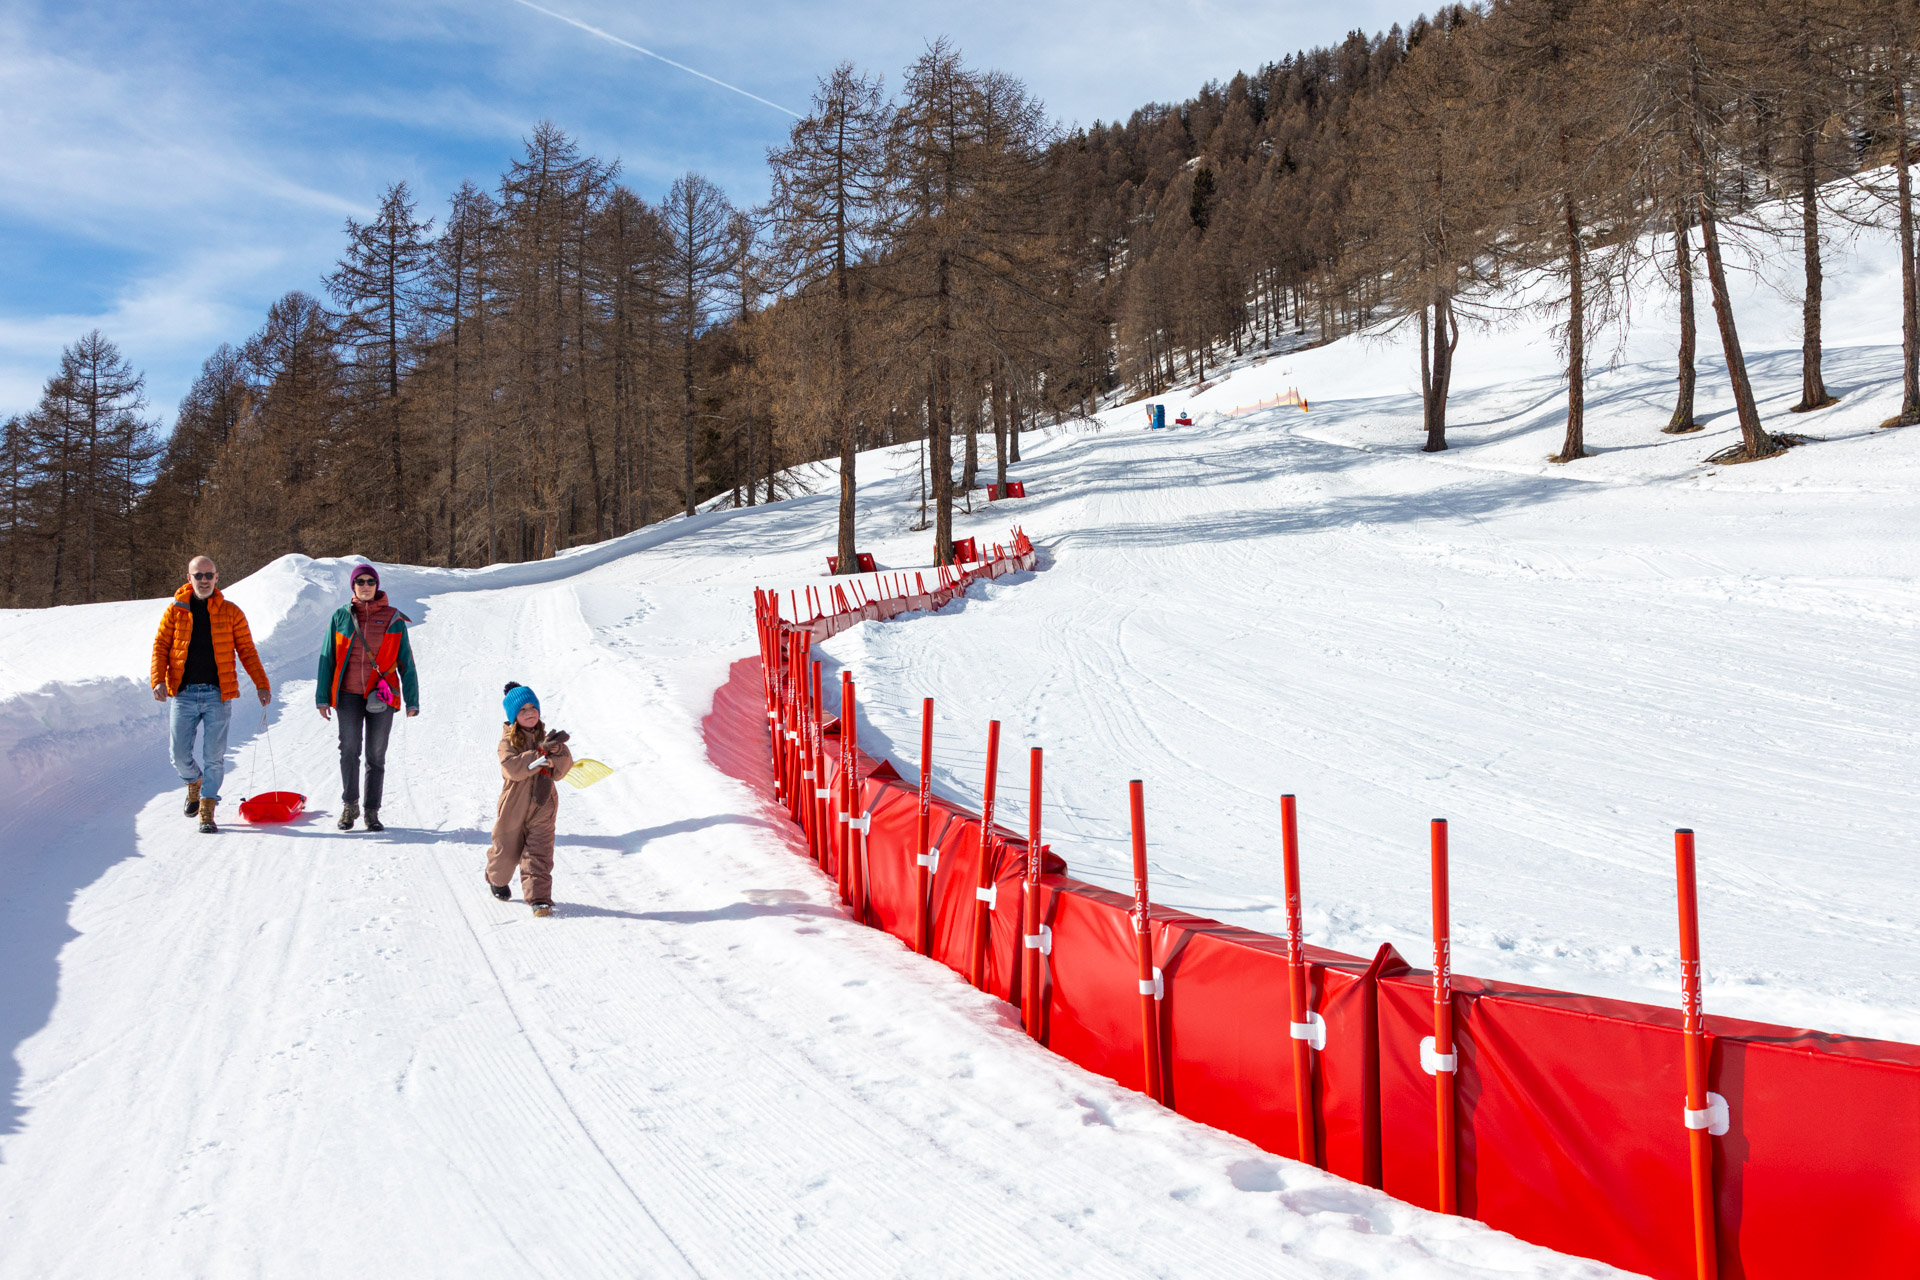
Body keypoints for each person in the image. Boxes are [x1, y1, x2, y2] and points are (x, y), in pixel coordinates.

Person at [149, 556, 271, 833]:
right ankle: (194, 783)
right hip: (184, 694)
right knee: (178, 754)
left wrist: (261, 684)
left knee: (214, 756)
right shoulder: (175, 611)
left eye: (208, 575)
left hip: (218, 694)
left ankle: (207, 806)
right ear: (189, 578)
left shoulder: (231, 612)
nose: (203, 580)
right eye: (198, 575)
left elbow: (247, 651)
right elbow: (160, 647)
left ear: (217, 578)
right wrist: (157, 680)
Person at [316, 563, 419, 832]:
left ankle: (371, 811)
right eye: (360, 582)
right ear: (353, 586)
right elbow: (327, 657)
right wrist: (322, 697)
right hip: (348, 694)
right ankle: (349, 805)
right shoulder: (340, 616)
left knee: (376, 754)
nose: (365, 586)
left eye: (370, 581)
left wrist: (412, 700)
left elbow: (406, 661)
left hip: (381, 696)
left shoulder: (393, 618)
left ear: (377, 585)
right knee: (349, 750)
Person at [486, 683, 574, 916]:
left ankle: (539, 899)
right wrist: (540, 754)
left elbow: (564, 766)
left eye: (532, 707)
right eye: (523, 709)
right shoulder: (507, 742)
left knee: (540, 853)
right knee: (505, 852)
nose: (529, 712)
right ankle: (497, 879)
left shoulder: (548, 738)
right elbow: (512, 768)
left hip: (543, 805)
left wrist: (555, 760)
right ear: (514, 716)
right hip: (514, 806)